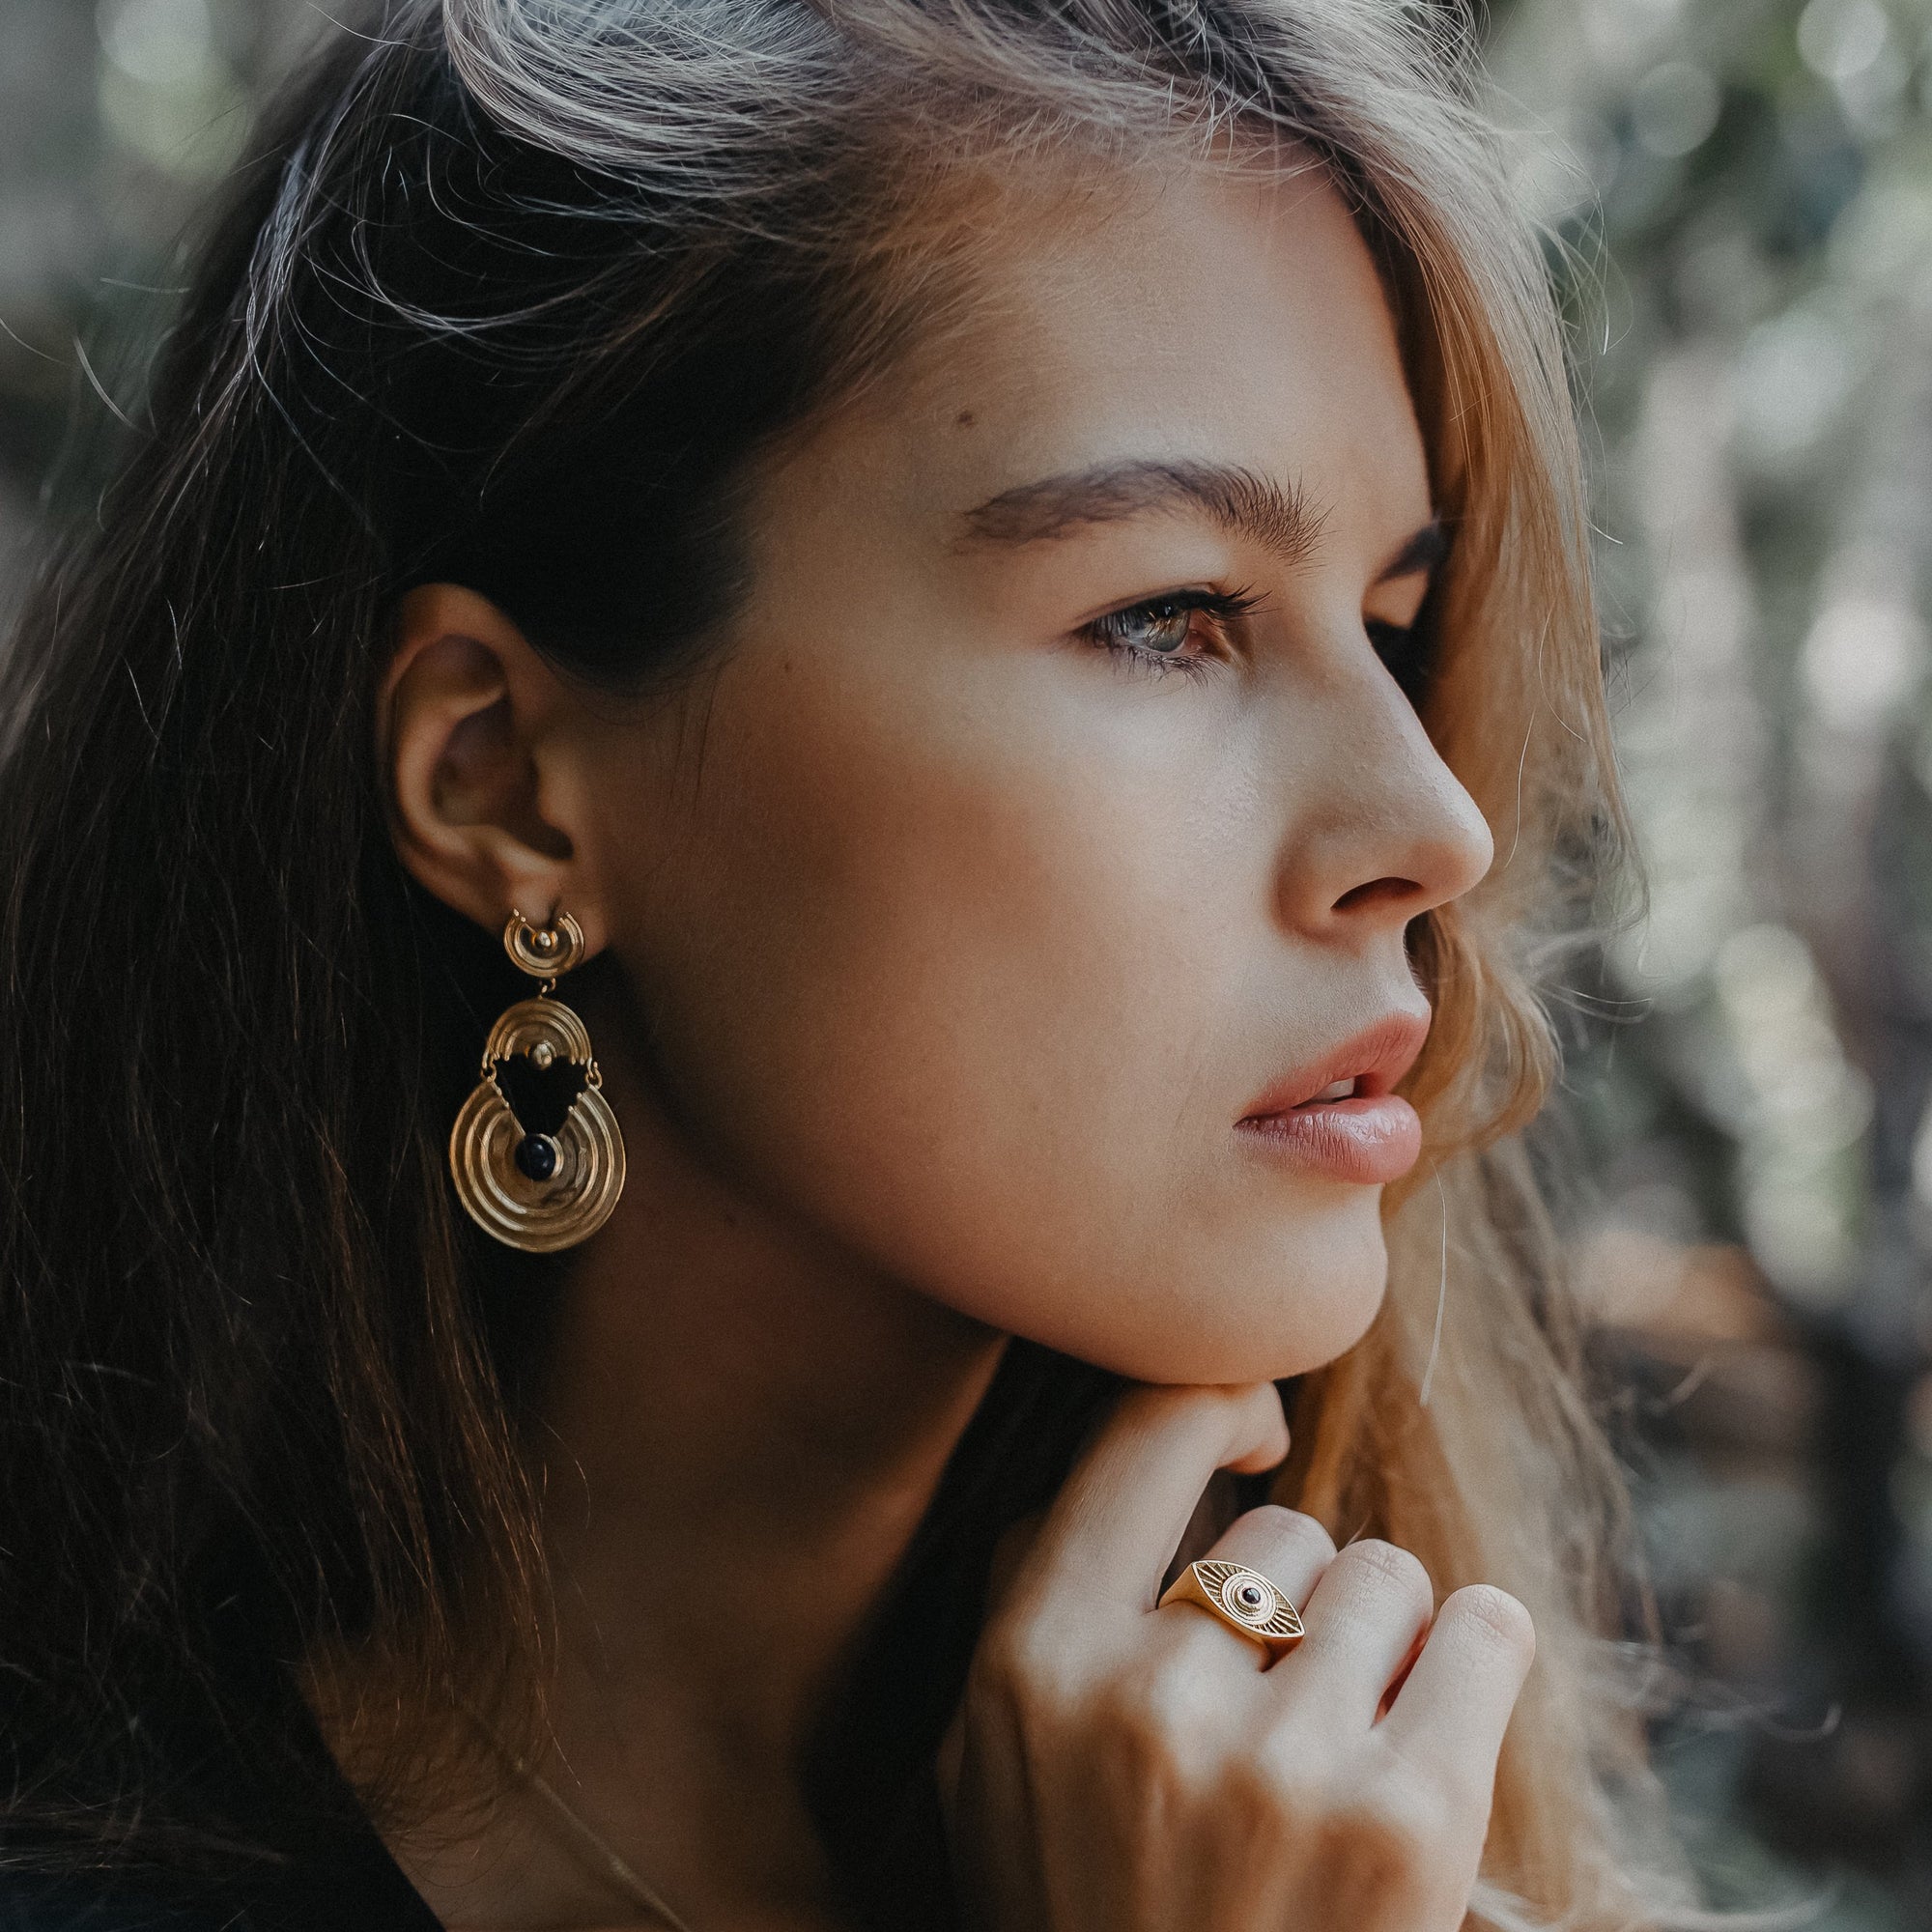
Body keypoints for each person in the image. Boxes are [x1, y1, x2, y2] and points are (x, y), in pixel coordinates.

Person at [0, 0, 1676, 1925]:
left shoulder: (1357, 1850)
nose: (1432, 826)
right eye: (1167, 617)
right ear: (505, 781)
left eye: (1391, 619)